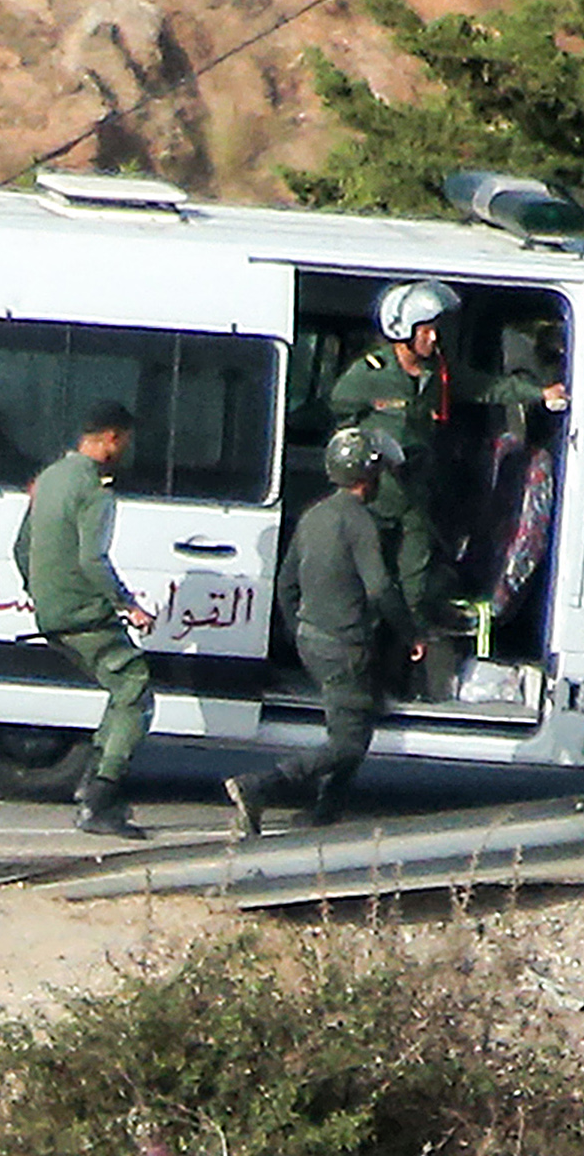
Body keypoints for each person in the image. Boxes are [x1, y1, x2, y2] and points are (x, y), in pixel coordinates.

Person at [327, 279, 564, 649]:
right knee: (366, 577)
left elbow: (488, 388)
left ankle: (408, 650)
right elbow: (339, 411)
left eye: (435, 330)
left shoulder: (437, 373)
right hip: (375, 495)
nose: (433, 339)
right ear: (402, 330)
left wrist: (539, 394)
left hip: (414, 492)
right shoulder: (369, 375)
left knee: (415, 581)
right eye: (426, 330)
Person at [226, 427, 423, 839]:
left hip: (313, 640)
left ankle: (327, 810)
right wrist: (411, 634)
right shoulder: (360, 523)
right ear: (369, 477)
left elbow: (286, 584)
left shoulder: (315, 514)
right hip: (345, 644)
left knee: (354, 726)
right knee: (349, 742)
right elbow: (380, 588)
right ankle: (261, 786)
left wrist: (298, 629)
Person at [12, 404, 158, 840]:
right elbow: (92, 559)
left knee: (119, 688)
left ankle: (93, 783)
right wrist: (128, 604)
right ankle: (99, 798)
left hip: (51, 610)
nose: (125, 450)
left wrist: (38, 591)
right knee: (135, 689)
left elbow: (21, 547)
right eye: (125, 441)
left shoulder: (51, 477)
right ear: (111, 438)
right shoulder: (95, 488)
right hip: (82, 612)